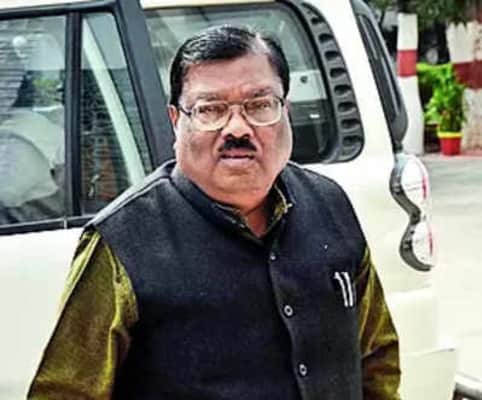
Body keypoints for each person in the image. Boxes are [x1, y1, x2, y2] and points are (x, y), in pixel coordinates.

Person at [28, 25, 400, 399]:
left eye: (259, 105)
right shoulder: (122, 242)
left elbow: (377, 356)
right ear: (177, 120)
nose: (237, 129)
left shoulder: (329, 204)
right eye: (210, 110)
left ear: (285, 111)